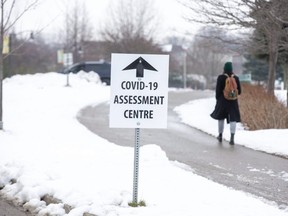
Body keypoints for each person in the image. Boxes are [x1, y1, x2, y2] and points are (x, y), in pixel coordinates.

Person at [210, 62, 241, 145]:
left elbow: (218, 91)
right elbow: (240, 92)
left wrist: (218, 100)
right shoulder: (236, 78)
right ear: (231, 69)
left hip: (222, 101)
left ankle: (220, 135)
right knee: (233, 119)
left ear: (224, 69)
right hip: (233, 102)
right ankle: (232, 138)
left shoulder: (220, 78)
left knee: (221, 118)